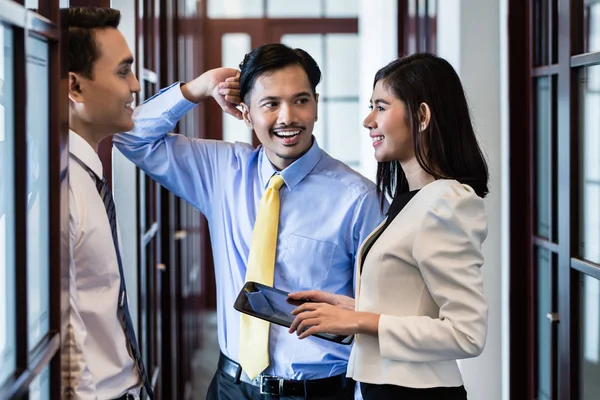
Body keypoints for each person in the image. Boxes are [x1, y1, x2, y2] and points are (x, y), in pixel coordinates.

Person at [114, 43, 386, 399]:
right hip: (230, 386)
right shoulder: (221, 172)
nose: (288, 117)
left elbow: (377, 311)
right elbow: (130, 136)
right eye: (271, 104)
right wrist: (198, 87)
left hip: (320, 390)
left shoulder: (359, 198)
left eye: (301, 100)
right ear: (245, 112)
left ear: (316, 105)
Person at [288, 53, 490, 400]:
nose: (368, 120)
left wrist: (359, 322)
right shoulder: (409, 200)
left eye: (381, 107)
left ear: (422, 116)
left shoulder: (446, 202)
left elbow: (467, 334)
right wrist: (349, 308)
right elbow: (412, 305)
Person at [64, 7, 153, 399]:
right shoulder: (62, 192)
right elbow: (63, 339)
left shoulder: (87, 176)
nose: (135, 85)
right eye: (123, 71)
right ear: (75, 86)